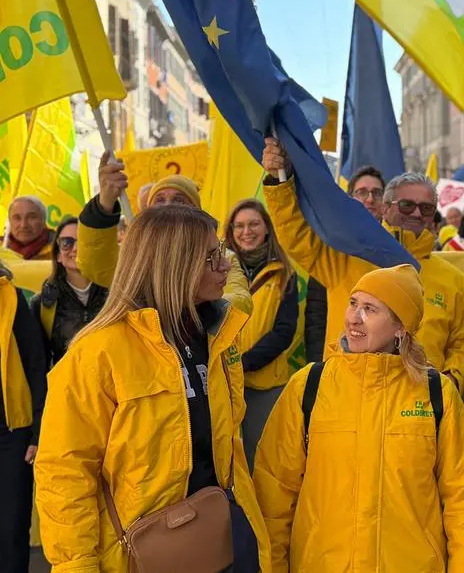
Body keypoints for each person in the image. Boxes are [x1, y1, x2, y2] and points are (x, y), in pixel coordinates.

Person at [35, 206, 270, 572]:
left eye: (221, 251)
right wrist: (76, 566)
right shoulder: (99, 351)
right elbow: (64, 472)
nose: (225, 265)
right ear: (172, 265)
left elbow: (226, 450)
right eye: (211, 257)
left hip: (216, 541)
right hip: (137, 553)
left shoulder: (218, 336)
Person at [254, 264, 464, 572]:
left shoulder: (436, 393)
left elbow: (463, 499)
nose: (354, 317)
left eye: (370, 309)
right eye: (353, 304)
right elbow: (274, 492)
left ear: (400, 326)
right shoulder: (309, 385)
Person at [262, 139, 464, 394]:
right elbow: (296, 235)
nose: (417, 214)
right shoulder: (345, 258)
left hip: (418, 407)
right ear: (386, 208)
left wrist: (451, 381)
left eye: (427, 208)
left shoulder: (454, 280)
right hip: (347, 397)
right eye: (407, 205)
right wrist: (279, 181)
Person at [77, 152, 252, 315]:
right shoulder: (136, 259)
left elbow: (239, 301)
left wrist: (190, 305)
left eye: (179, 200)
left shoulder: (222, 259)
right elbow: (95, 265)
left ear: (196, 212)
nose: (168, 205)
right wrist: (105, 203)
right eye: (159, 200)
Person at [224, 199, 307, 470]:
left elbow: (284, 332)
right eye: (239, 225)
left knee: (261, 460)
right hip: (222, 383)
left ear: (267, 228)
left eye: (253, 224)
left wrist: (245, 362)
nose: (246, 231)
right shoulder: (218, 271)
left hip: (265, 385)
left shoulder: (284, 274)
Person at [0, 262, 46, 573]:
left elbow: (36, 366)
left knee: (11, 528)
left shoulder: (12, 299)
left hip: (12, 434)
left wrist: (36, 433)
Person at [30, 217, 108, 369]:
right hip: (65, 389)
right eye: (67, 243)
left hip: (113, 388)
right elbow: (38, 363)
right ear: (58, 255)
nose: (75, 249)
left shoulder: (116, 296)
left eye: (84, 242)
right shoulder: (42, 304)